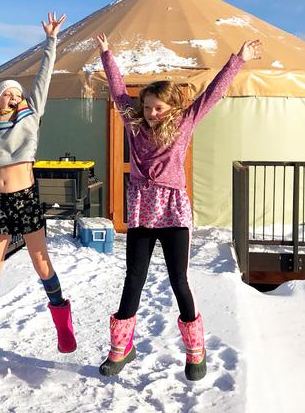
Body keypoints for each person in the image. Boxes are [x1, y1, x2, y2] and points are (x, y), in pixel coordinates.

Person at [96, 32, 262, 380]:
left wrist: (238, 59)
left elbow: (212, 95)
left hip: (172, 211)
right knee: (133, 279)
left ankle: (195, 350)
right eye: (147, 107)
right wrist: (108, 55)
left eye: (158, 108)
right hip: (142, 209)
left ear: (171, 107)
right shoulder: (133, 123)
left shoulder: (185, 124)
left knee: (179, 280)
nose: (151, 113)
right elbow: (117, 91)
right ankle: (121, 347)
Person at [0, 13, 77, 358]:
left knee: (41, 261)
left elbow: (43, 76)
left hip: (25, 198)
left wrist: (52, 40)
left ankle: (62, 323)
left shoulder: (31, 113)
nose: (14, 96)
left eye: (16, 93)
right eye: (7, 93)